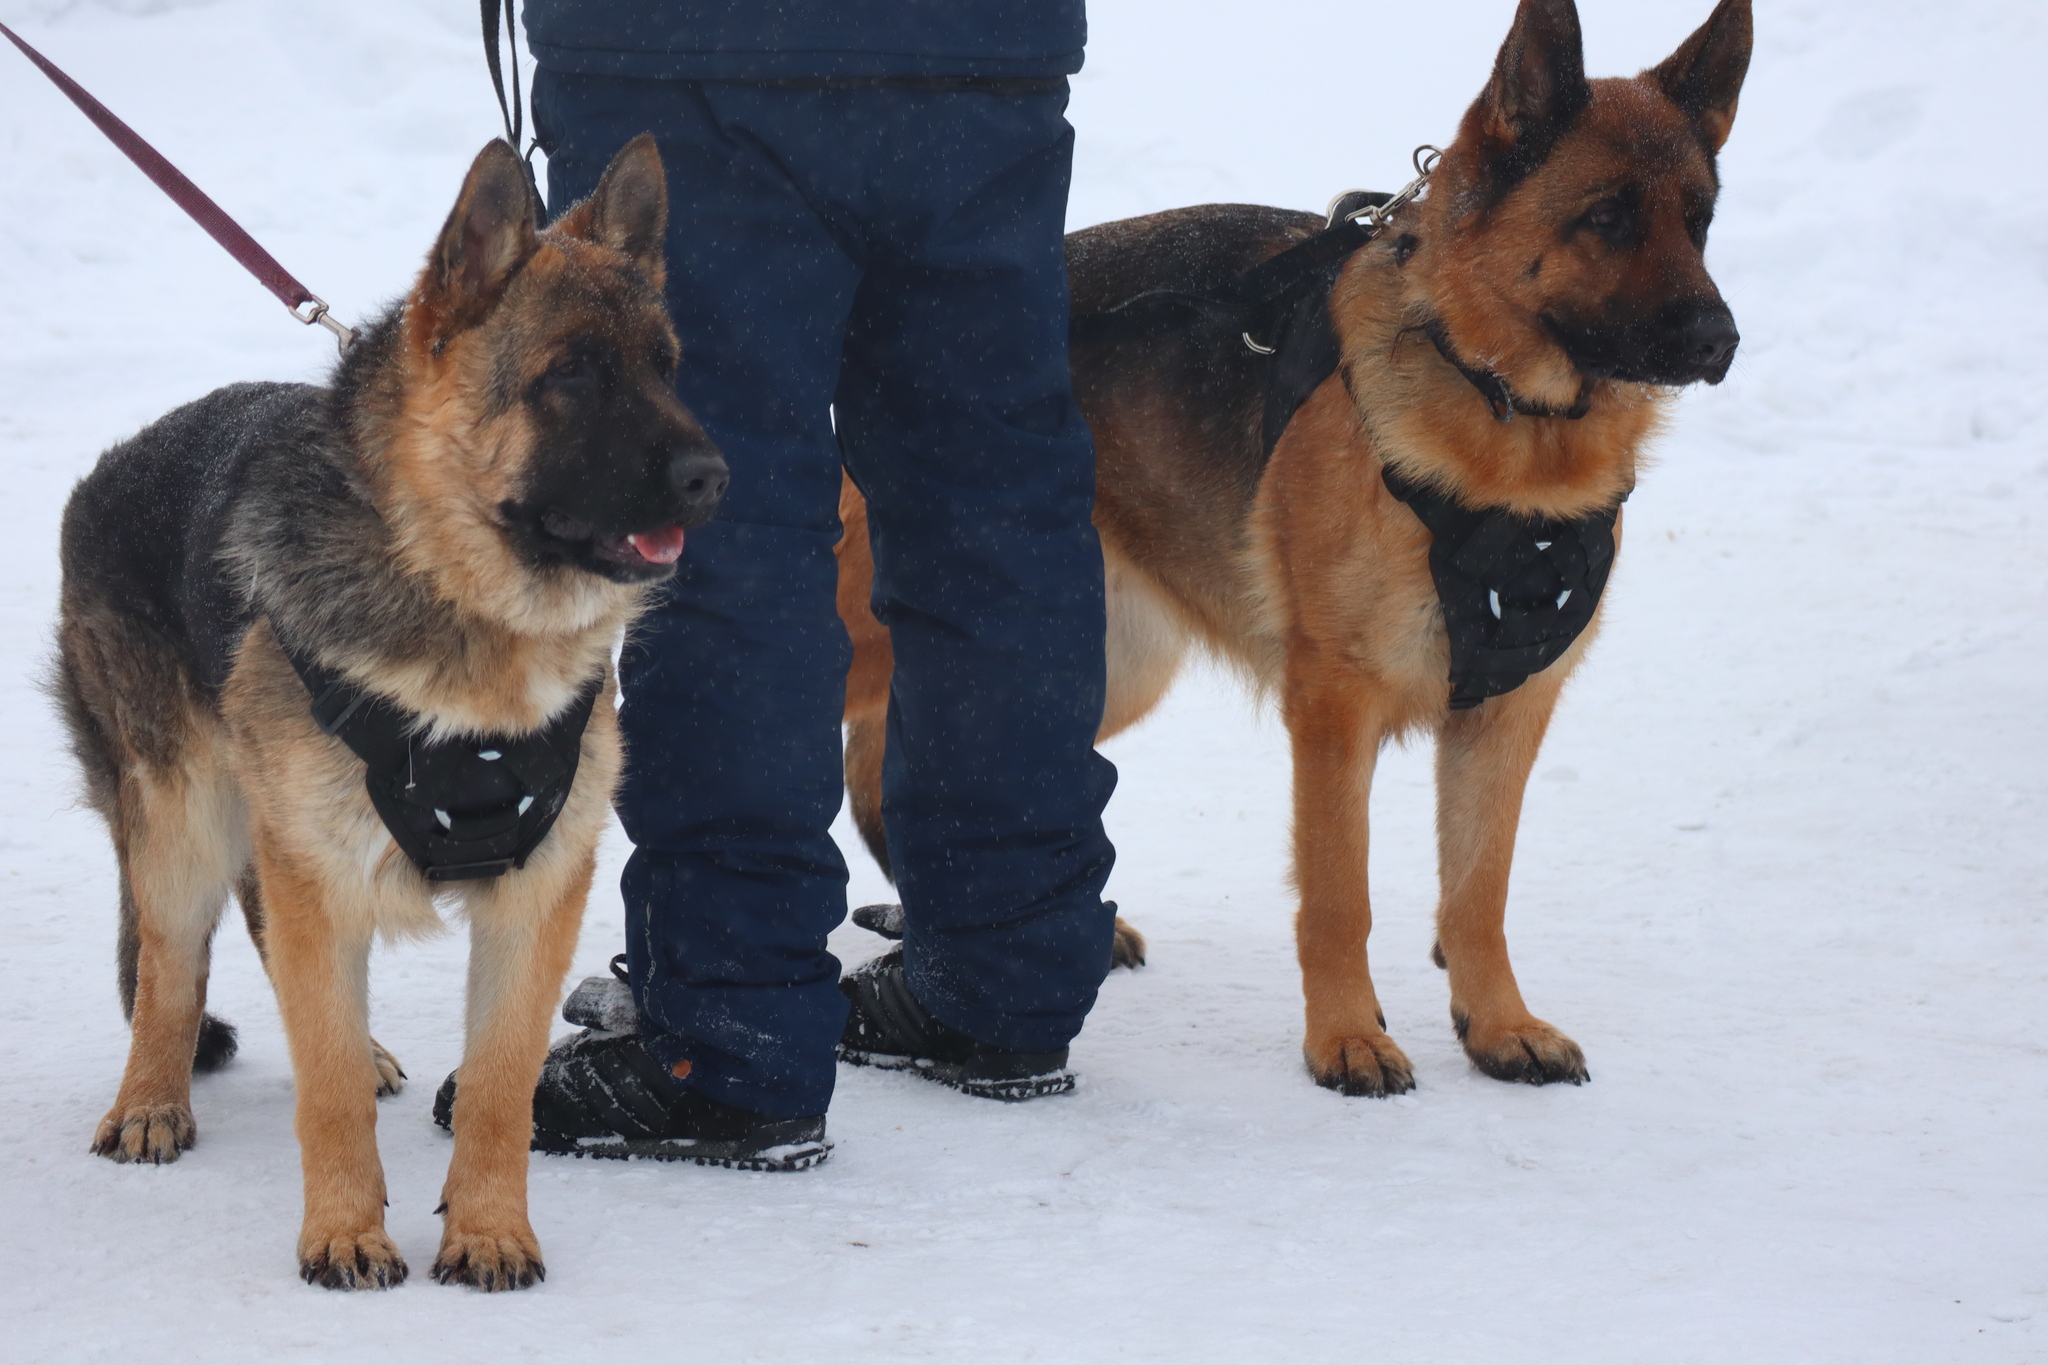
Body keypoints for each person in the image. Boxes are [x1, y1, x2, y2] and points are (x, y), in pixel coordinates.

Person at [443, 1, 1120, 1167]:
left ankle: (730, 1031)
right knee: (993, 503)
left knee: (719, 534)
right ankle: (1004, 979)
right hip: (974, 55)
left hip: (692, 48)